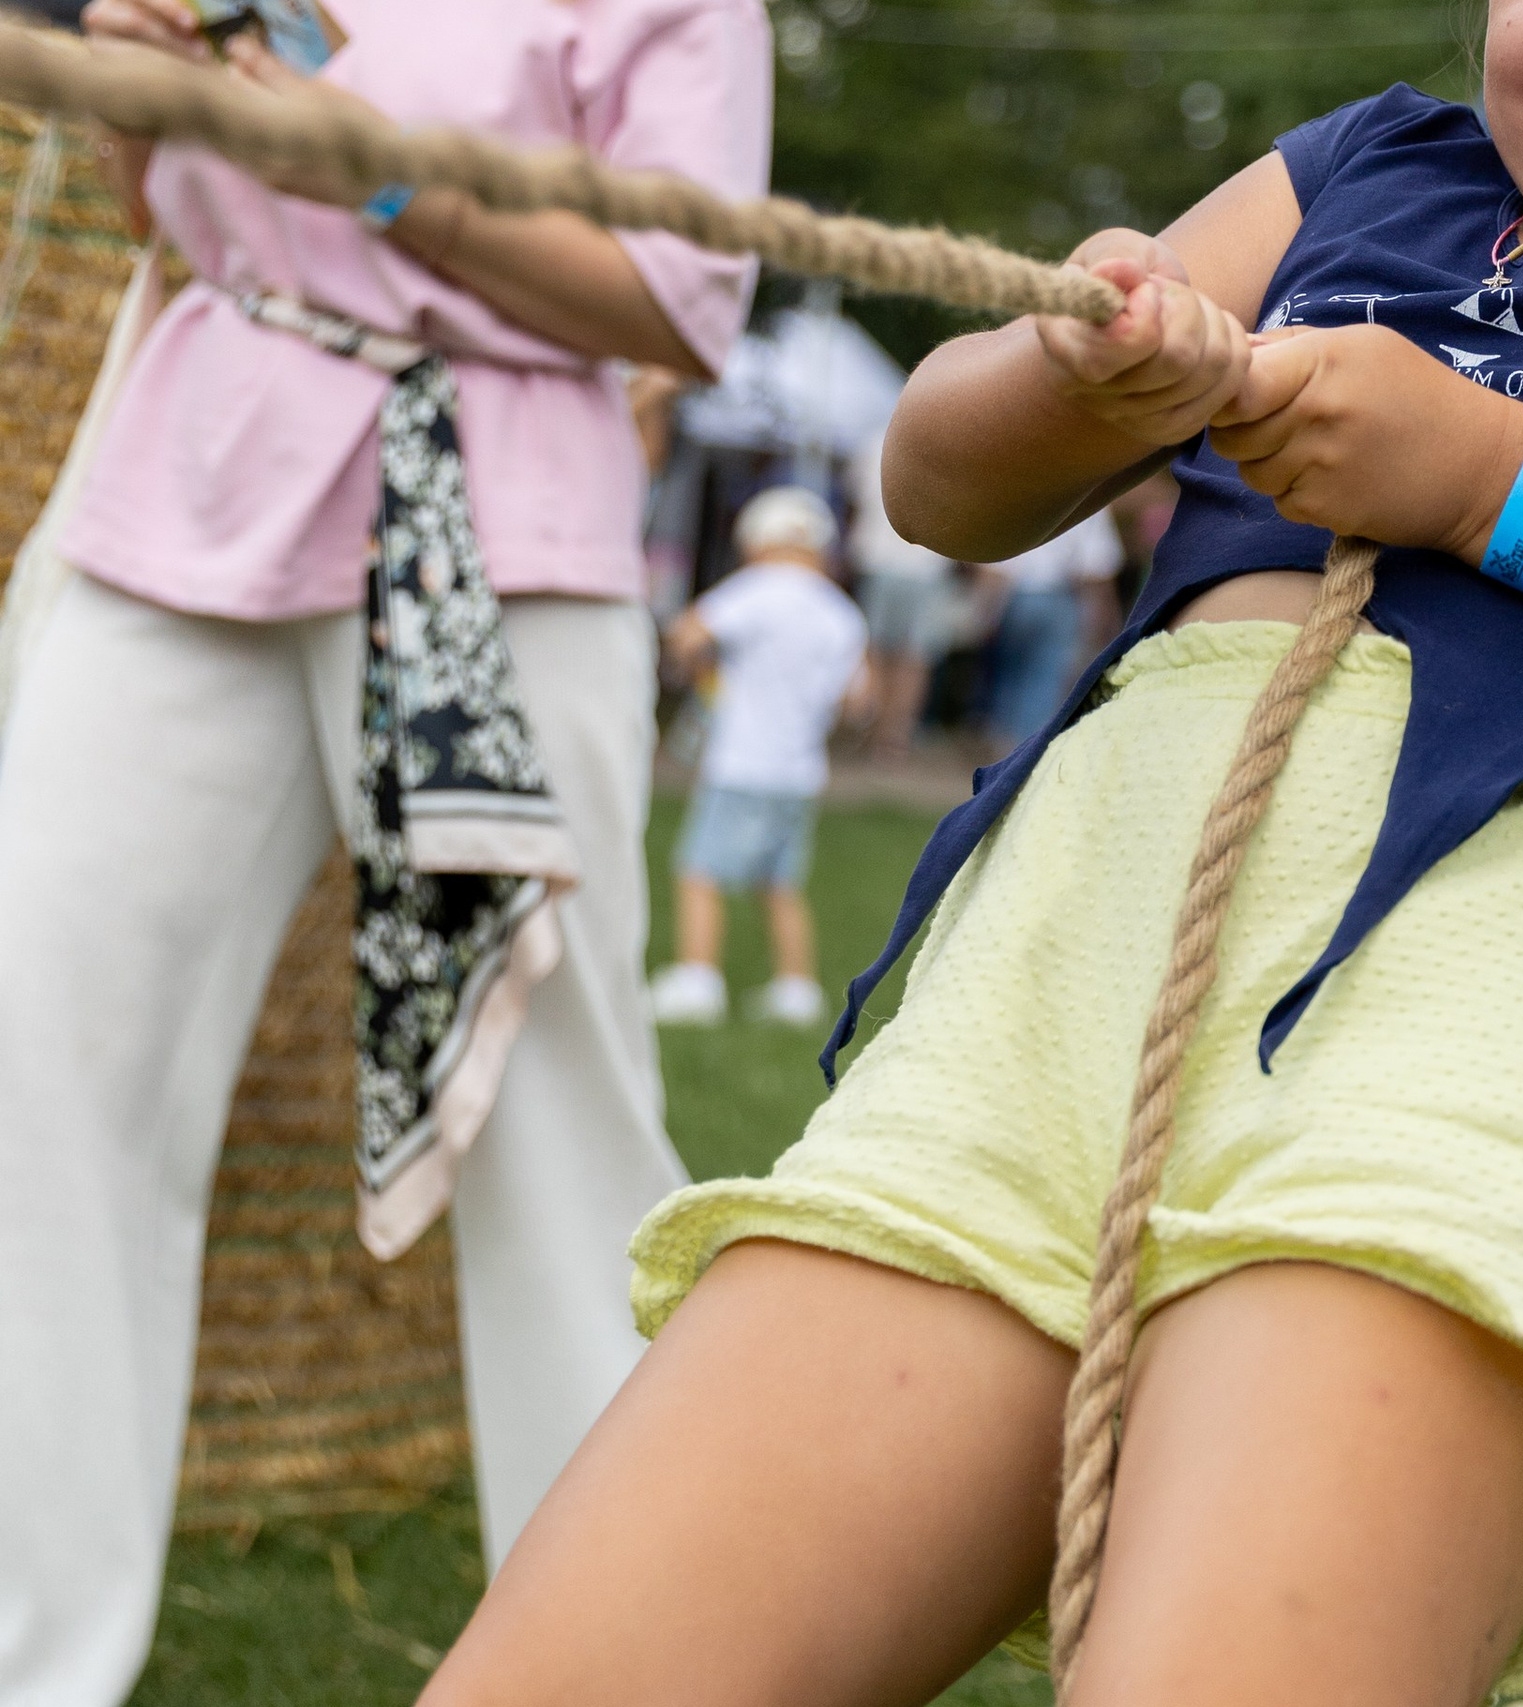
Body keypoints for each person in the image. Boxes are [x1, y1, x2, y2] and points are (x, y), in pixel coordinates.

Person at [419, 3, 1523, 1702]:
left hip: (1472, 1041)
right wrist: (1077, 377)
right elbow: (938, 479)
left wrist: (1492, 479)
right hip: (1053, 993)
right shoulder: (1365, 167)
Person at [0, 2, 769, 1701]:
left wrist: (384, 176)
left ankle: (617, 1671)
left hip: (495, 519)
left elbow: (679, 300)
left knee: (556, 1125)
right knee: (40, 1075)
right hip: (182, 496)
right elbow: (169, 216)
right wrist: (156, 99)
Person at [648, 487, 870, 1029]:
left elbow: (686, 633)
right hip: (798, 772)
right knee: (780, 881)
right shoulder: (841, 613)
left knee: (699, 871)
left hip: (741, 762)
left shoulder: (755, 591)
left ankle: (698, 979)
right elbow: (857, 697)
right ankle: (797, 988)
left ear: (757, 542)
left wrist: (703, 667)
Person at [846, 426, 962, 761]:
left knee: (880, 651)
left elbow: (857, 502)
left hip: (884, 561)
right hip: (923, 564)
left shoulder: (874, 444)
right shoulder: (955, 450)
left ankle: (876, 727)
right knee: (912, 656)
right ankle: (893, 735)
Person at [979, 508, 1122, 753]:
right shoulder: (1091, 501)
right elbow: (1095, 566)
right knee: (1044, 675)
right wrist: (1104, 612)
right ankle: (1023, 745)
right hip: (1059, 596)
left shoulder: (1023, 495)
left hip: (1016, 596)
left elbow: (999, 563)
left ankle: (999, 738)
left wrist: (986, 609)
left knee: (1009, 670)